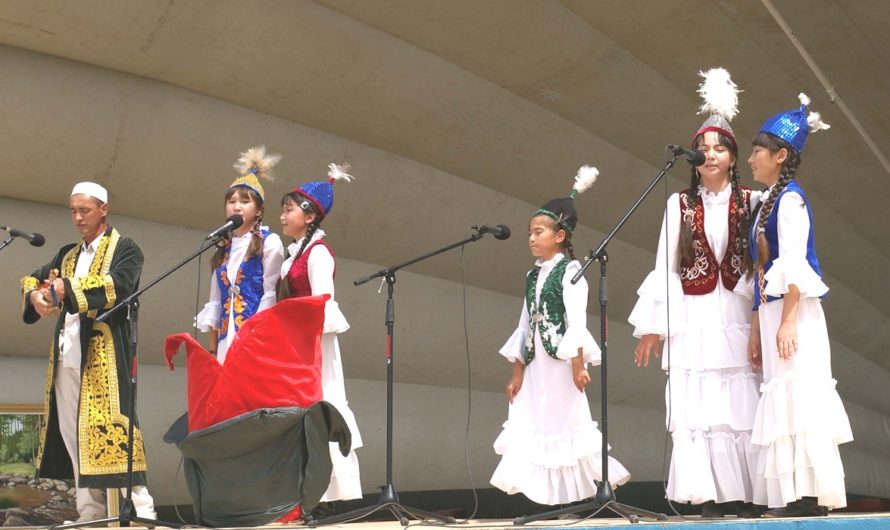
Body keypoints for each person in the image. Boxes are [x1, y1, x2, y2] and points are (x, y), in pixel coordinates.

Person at [629, 68, 762, 518]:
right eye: (702, 149)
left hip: (738, 314)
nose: (709, 155)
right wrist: (652, 329)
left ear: (732, 155)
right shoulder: (678, 205)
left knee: (739, 403)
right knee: (697, 407)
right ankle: (706, 495)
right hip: (693, 316)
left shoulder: (754, 200)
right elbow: (665, 265)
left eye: (718, 147)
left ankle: (745, 493)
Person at [490, 166, 630, 505]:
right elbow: (526, 323)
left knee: (567, 424)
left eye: (539, 231)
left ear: (560, 236)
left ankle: (574, 496)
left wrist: (577, 365)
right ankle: (548, 499)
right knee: (536, 421)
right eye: (530, 233)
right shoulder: (531, 275)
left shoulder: (571, 271)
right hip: (538, 363)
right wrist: (517, 372)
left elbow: (576, 321)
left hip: (562, 362)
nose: (532, 238)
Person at [20, 182, 156, 522]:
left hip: (106, 358)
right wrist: (36, 296)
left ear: (103, 209)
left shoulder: (126, 248)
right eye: (74, 211)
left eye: (85, 210)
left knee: (118, 431)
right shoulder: (67, 254)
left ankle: (141, 511)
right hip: (67, 353)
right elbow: (33, 279)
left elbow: (119, 284)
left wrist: (69, 287)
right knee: (72, 432)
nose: (78, 218)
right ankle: (90, 512)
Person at [745, 94, 852, 517]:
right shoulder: (764, 202)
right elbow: (760, 270)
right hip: (774, 310)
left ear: (780, 155)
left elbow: (793, 265)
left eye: (757, 151)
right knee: (783, 395)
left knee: (800, 393)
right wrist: (759, 326)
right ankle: (793, 493)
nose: (751, 159)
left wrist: (787, 322)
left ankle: (811, 495)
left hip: (794, 311)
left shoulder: (789, 200)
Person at [278, 162, 362, 507]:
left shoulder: (318, 254)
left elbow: (322, 304)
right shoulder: (293, 254)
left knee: (321, 405)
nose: (282, 216)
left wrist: (303, 341)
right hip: (296, 345)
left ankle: (327, 495)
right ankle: (304, 494)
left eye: (288, 210)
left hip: (315, 344)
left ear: (310, 216)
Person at [196, 146, 285, 364]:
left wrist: (256, 339)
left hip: (257, 341)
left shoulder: (269, 242)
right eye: (231, 201)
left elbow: (270, 296)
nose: (237, 207)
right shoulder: (223, 246)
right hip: (227, 340)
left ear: (259, 210)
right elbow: (215, 301)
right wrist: (212, 351)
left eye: (245, 202)